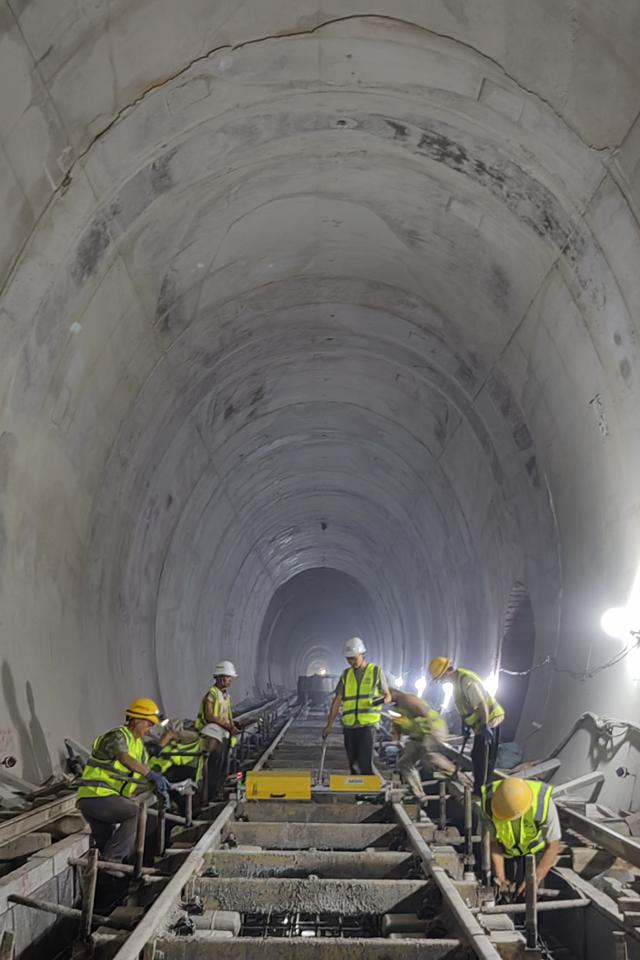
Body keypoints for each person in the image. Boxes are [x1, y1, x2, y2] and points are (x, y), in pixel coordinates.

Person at [76, 698, 171, 864]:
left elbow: (139, 775)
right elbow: (124, 758)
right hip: (96, 795)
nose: (150, 730)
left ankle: (107, 880)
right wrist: (150, 774)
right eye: (148, 724)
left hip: (108, 799)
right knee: (134, 813)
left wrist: (156, 788)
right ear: (135, 720)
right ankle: (113, 861)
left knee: (106, 841)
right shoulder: (118, 736)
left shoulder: (139, 747)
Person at [429, 657, 505, 795]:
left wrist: (485, 726)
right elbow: (467, 707)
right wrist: (467, 724)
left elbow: (482, 705)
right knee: (476, 755)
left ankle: (481, 791)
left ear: (447, 672)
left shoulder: (467, 681)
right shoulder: (457, 682)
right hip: (479, 723)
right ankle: (479, 786)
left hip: (490, 720)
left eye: (441, 678)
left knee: (483, 758)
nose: (442, 681)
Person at [481, 777, 561, 897]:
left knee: (532, 895)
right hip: (506, 854)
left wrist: (536, 879)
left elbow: (553, 847)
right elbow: (493, 844)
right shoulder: (490, 804)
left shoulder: (543, 805)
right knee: (508, 896)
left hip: (536, 853)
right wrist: (501, 878)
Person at [322, 637, 391, 775]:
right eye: (348, 659)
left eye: (354, 658)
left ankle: (367, 795)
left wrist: (380, 701)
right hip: (349, 727)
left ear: (362, 654)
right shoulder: (346, 675)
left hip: (367, 726)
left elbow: (387, 696)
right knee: (353, 764)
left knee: (364, 763)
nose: (351, 662)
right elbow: (337, 701)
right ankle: (359, 794)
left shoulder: (376, 672)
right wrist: (329, 725)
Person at [388, 686, 455, 803]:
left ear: (392, 693)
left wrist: (432, 732)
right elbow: (397, 728)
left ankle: (456, 775)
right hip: (418, 737)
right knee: (404, 763)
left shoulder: (407, 699)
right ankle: (419, 794)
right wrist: (396, 740)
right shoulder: (396, 709)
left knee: (429, 755)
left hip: (432, 729)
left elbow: (425, 713)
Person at [195, 660, 240, 802]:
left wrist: (232, 726)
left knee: (222, 769)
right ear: (220, 677)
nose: (231, 680)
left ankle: (216, 793)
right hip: (213, 734)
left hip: (223, 735)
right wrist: (228, 726)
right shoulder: (212, 693)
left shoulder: (226, 696)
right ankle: (208, 797)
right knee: (213, 768)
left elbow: (228, 715)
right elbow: (209, 715)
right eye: (228, 677)